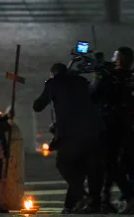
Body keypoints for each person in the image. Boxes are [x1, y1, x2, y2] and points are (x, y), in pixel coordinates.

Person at [33, 63, 104, 214]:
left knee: (63, 164)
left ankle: (83, 196)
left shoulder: (54, 83)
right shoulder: (81, 81)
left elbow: (38, 106)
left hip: (70, 132)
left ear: (53, 74)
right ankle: (70, 205)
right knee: (80, 168)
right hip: (92, 130)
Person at [92, 47, 134, 214]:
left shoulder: (110, 77)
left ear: (119, 60)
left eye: (115, 57)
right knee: (111, 162)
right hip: (125, 123)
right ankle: (105, 199)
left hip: (111, 123)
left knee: (111, 163)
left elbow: (93, 94)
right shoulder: (133, 76)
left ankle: (130, 198)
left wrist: (97, 76)